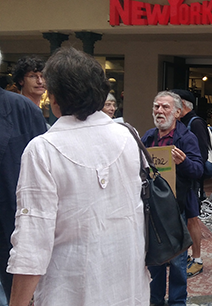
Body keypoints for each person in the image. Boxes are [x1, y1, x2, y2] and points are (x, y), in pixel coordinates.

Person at [7, 47, 149, 306]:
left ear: (55, 97)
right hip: (128, 284)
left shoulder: (43, 149)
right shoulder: (129, 135)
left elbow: (33, 241)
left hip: (69, 288)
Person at [141, 91, 204, 306]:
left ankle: (177, 302)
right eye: (156, 106)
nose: (159, 111)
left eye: (165, 107)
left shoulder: (186, 138)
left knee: (177, 262)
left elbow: (198, 170)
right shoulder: (148, 137)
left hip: (176, 208)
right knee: (155, 260)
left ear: (177, 112)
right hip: (153, 208)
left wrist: (184, 162)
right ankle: (155, 301)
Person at [0, 49, 47, 305]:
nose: (40, 81)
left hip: (12, 219)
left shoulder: (21, 110)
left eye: (42, 76)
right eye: (33, 76)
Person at [170, 88, 209, 277]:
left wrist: (187, 164)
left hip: (191, 181)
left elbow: (201, 155)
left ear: (182, 105)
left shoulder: (195, 123)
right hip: (179, 180)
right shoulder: (178, 123)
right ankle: (184, 255)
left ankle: (197, 258)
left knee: (193, 219)